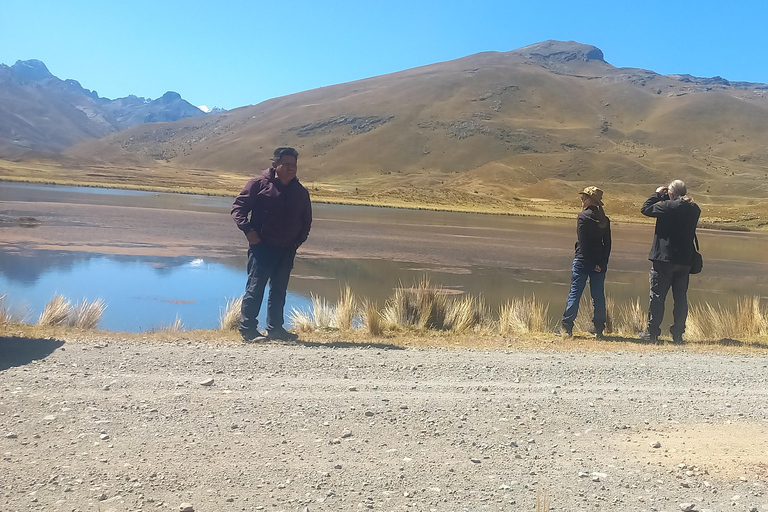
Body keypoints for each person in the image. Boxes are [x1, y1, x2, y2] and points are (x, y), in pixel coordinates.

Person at [231, 147, 312, 342]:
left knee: (279, 290)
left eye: (294, 165)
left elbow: (306, 221)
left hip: (286, 249)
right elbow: (238, 208)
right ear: (275, 165)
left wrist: (296, 242)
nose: (292, 169)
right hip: (262, 247)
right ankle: (248, 330)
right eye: (287, 164)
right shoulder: (258, 184)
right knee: (255, 288)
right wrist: (249, 232)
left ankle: (275, 329)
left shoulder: (300, 192)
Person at [639, 179, 700, 343]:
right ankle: (678, 334)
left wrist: (658, 194)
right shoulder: (695, 209)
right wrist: (668, 198)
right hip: (685, 260)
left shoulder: (667, 207)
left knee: (657, 296)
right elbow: (679, 209)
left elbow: (645, 209)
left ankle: (652, 333)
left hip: (664, 260)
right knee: (680, 298)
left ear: (671, 193)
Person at [559, 186, 612, 339]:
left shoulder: (583, 217)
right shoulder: (604, 219)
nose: (581, 200)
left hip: (583, 261)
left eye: (584, 198)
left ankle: (567, 327)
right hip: (599, 263)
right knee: (598, 296)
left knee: (575, 293)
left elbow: (583, 243)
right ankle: (599, 329)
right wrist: (601, 263)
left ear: (590, 200)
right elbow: (607, 245)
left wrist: (592, 262)